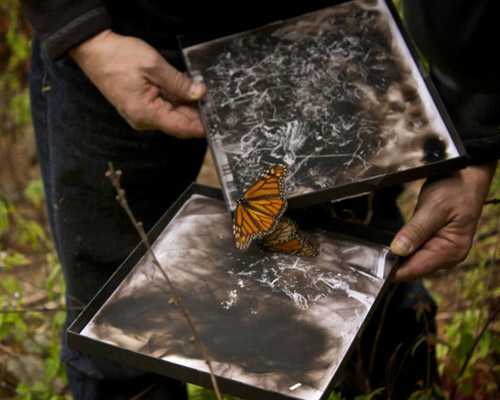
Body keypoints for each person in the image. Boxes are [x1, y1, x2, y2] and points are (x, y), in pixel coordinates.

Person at [19, 0, 499, 399]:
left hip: (327, 34)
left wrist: (476, 140)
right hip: (120, 34)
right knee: (115, 326)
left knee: (366, 278)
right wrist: (83, 34)